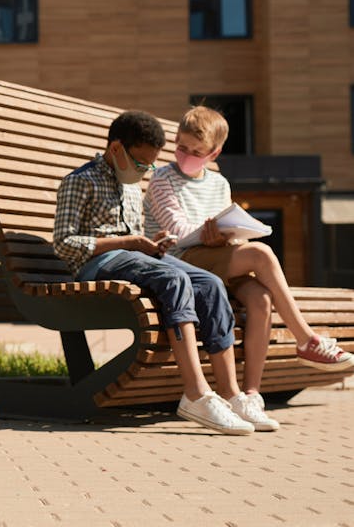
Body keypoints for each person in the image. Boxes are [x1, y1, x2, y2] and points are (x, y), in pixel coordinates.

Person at [144, 105, 354, 430]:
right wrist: (211, 235)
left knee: (261, 299)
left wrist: (227, 235)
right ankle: (307, 339)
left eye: (196, 151)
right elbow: (178, 234)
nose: (186, 154)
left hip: (216, 260)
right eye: (181, 147)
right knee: (261, 255)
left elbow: (220, 230)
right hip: (179, 261)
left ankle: (250, 395)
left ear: (214, 152)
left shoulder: (219, 183)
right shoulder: (162, 179)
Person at [53, 110, 255, 435]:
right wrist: (128, 241)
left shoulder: (131, 186)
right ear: (116, 149)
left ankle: (230, 394)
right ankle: (196, 393)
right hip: (96, 267)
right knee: (173, 279)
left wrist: (153, 243)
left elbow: (136, 240)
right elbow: (64, 243)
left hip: (133, 260)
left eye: (150, 165)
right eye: (141, 163)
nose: (146, 171)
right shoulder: (80, 181)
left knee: (210, 284)